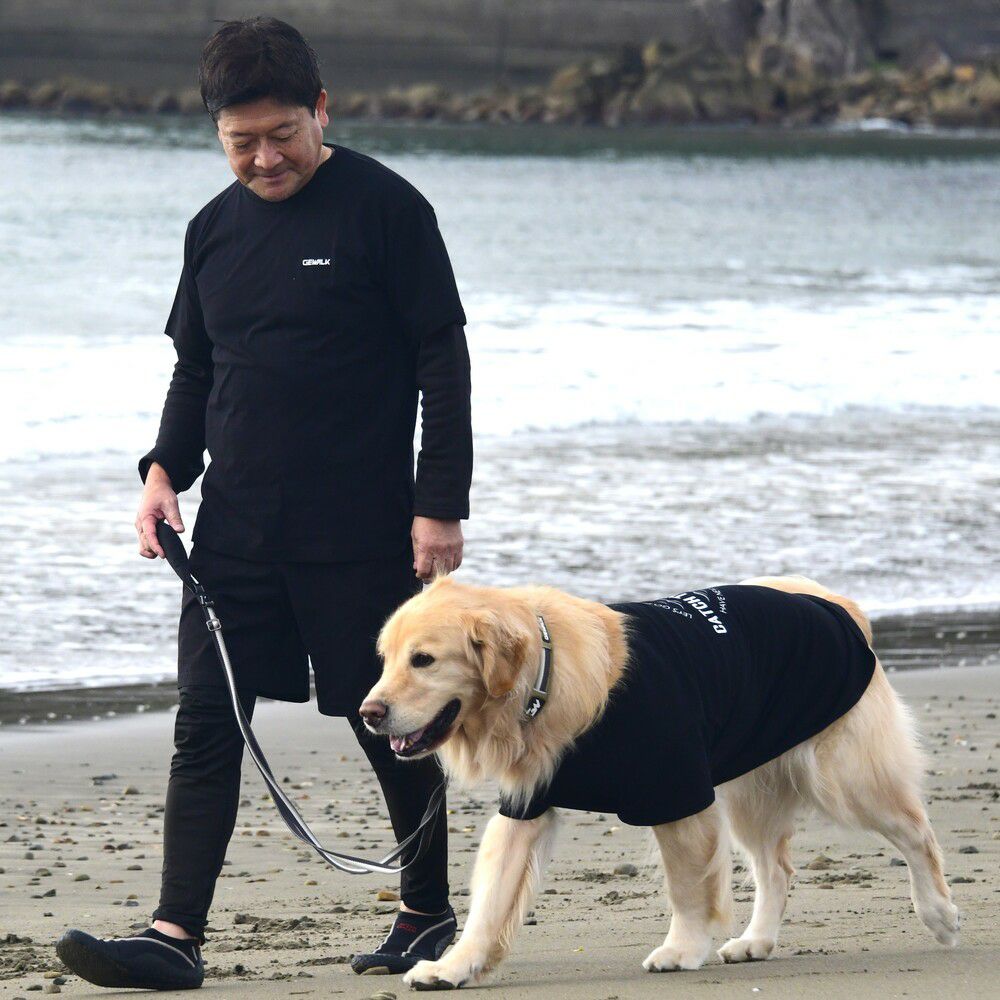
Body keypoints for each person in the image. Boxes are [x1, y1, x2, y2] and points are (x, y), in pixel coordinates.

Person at [56, 16, 472, 990]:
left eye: (282, 133)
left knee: (389, 723)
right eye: (240, 141)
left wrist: (438, 505)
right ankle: (173, 937)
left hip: (361, 531)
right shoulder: (212, 229)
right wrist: (163, 471)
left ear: (320, 109)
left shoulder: (387, 209)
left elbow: (441, 358)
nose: (264, 157)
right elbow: (198, 369)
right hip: (235, 533)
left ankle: (426, 912)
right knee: (205, 722)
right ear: (216, 132)